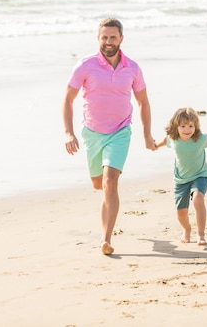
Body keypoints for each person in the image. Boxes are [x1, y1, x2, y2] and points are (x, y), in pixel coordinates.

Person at [62, 18, 156, 255]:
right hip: (92, 133)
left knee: (110, 181)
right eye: (104, 37)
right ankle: (107, 205)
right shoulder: (85, 66)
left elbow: (143, 102)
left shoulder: (132, 68)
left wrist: (146, 134)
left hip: (120, 131)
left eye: (113, 37)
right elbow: (68, 99)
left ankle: (106, 239)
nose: (108, 42)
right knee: (99, 183)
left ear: (121, 39)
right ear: (98, 38)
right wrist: (68, 132)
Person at [155, 107, 207, 246]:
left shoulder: (200, 139)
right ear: (176, 127)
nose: (187, 130)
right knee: (181, 213)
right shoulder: (173, 139)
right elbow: (163, 142)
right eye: (183, 126)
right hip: (181, 180)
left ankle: (201, 235)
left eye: (191, 126)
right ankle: (187, 229)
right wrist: (154, 146)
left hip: (200, 175)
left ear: (195, 126)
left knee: (197, 198)